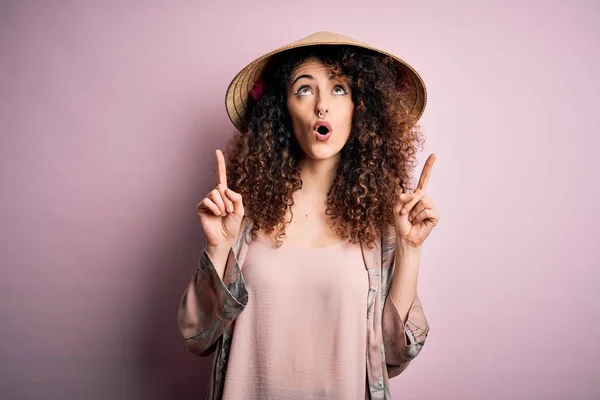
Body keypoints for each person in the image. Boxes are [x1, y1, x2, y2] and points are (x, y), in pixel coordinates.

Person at [178, 31, 439, 400]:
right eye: (304, 89)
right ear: (281, 108)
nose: (321, 106)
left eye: (338, 89)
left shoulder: (382, 225)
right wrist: (218, 247)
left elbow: (396, 354)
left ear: (360, 107)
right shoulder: (240, 217)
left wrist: (411, 248)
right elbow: (197, 336)